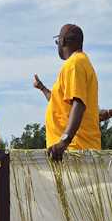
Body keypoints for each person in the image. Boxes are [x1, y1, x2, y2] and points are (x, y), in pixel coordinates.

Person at [32, 23, 101, 161]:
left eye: (57, 41)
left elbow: (79, 103)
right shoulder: (79, 62)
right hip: (71, 150)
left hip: (75, 151)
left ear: (62, 41)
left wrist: (64, 141)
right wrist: (42, 88)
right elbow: (59, 103)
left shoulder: (74, 64)